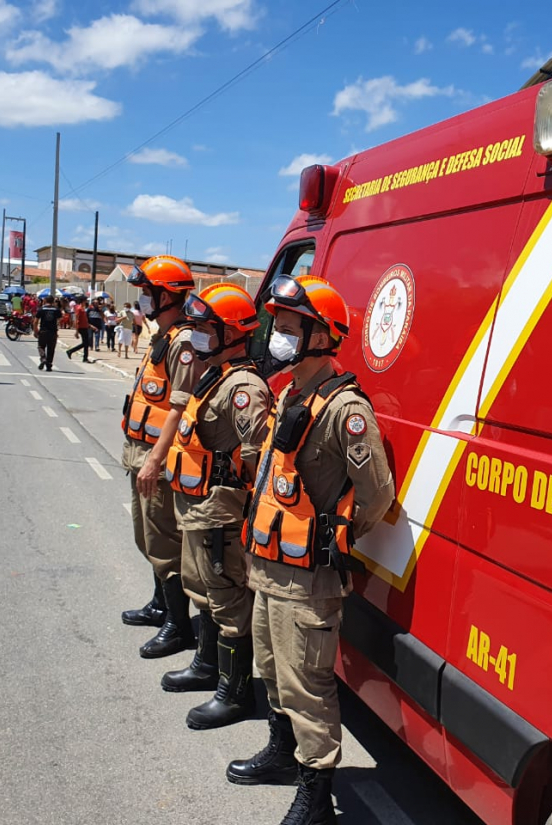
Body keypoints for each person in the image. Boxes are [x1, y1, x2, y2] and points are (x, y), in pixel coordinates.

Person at [226, 276, 394, 824]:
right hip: (269, 568)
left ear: (320, 336)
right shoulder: (289, 394)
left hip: (307, 579)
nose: (277, 335)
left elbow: (377, 495)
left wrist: (335, 538)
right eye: (277, 325)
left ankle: (317, 795)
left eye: (289, 327)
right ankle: (281, 752)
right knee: (274, 672)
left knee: (308, 685)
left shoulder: (346, 409)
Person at [160, 284, 272, 730]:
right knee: (202, 590)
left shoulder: (243, 386)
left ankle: (236, 692)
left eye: (207, 329)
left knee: (228, 602)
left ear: (232, 332)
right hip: (198, 508)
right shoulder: (215, 373)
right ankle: (207, 665)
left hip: (220, 513)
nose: (197, 337)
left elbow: (256, 455)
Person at [120, 255, 208, 657]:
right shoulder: (162, 335)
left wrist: (155, 459)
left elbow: (179, 406)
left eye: (148, 293)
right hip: (139, 453)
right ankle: (160, 605)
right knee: (146, 536)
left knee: (164, 543)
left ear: (168, 296)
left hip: (159, 459)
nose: (142, 300)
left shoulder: (184, 342)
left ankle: (177, 626)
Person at [34, 295, 62, 371]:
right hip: (52, 332)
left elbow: (36, 321)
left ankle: (43, 359)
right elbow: (59, 320)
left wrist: (35, 331)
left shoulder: (41, 309)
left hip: (43, 331)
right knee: (51, 348)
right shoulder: (56, 309)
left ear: (45, 301)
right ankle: (49, 365)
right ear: (53, 301)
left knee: (41, 346)